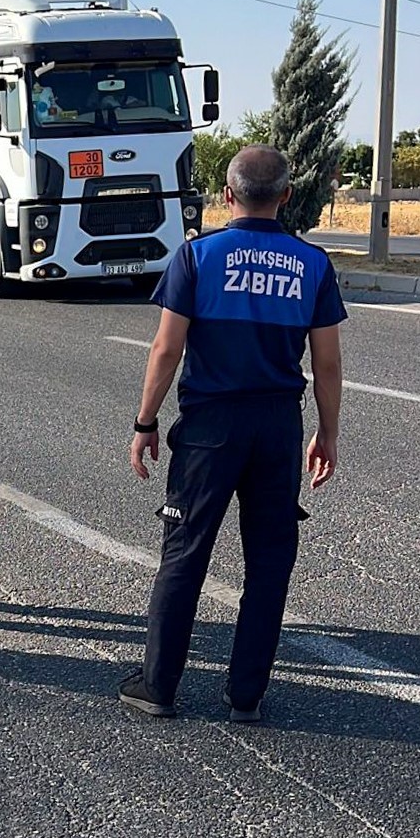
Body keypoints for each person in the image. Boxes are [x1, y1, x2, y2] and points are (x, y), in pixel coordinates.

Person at [121, 144, 345, 722]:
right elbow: (327, 364)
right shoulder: (313, 264)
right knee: (269, 561)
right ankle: (247, 693)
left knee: (185, 552)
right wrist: (328, 433)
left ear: (227, 195)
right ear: (287, 197)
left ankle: (159, 685)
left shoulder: (197, 256)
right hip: (278, 426)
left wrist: (145, 422)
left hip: (209, 427)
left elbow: (167, 347)